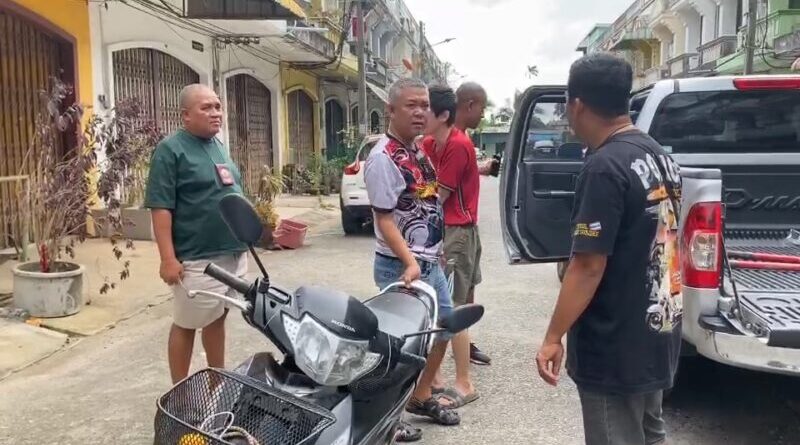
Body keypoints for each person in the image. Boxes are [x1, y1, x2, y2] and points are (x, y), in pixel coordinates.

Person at [535, 53, 682, 445]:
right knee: (650, 433)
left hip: (615, 342)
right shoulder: (658, 155)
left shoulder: (604, 166)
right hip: (655, 329)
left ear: (577, 104)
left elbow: (588, 265)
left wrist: (553, 336)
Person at [364, 78, 460, 438]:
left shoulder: (416, 149)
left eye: (424, 105)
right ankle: (385, 417)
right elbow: (385, 219)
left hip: (429, 261)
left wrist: (438, 249)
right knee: (400, 345)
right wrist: (409, 261)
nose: (421, 112)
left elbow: (426, 201)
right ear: (390, 109)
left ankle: (419, 396)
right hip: (402, 266)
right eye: (411, 105)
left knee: (445, 325)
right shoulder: (382, 158)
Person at [145, 84, 249, 384]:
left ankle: (217, 381)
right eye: (206, 107)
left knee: (217, 318)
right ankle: (179, 393)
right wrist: (167, 259)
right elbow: (161, 207)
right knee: (186, 323)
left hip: (232, 253)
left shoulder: (218, 145)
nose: (216, 113)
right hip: (197, 258)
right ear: (186, 115)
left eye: (218, 106)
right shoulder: (171, 150)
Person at [420, 84, 491, 408]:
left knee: (452, 307)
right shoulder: (431, 143)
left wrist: (407, 195)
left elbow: (438, 195)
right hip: (450, 229)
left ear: (442, 115)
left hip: (457, 231)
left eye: (424, 110)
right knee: (446, 303)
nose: (419, 116)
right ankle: (435, 378)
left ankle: (462, 381)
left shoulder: (458, 145)